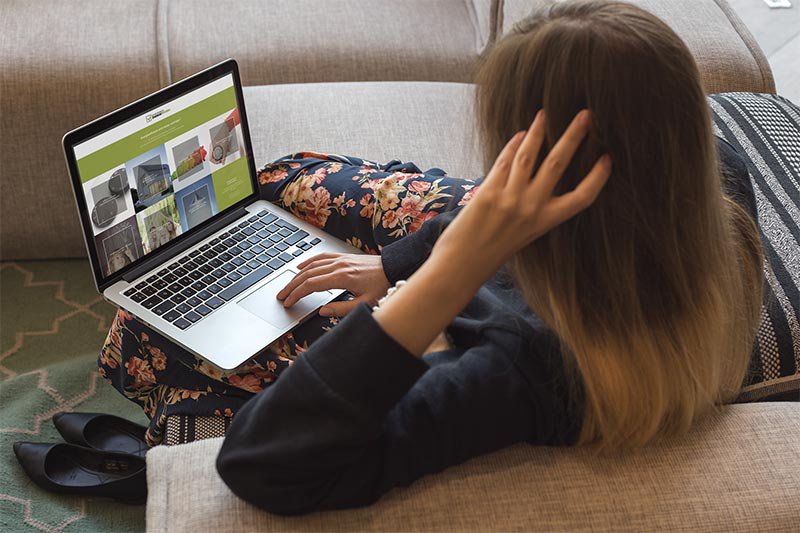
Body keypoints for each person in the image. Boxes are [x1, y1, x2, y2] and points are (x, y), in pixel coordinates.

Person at [99, 0, 763, 516]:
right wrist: (392, 264)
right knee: (280, 179)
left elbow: (261, 463)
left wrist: (445, 275)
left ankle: (170, 436)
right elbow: (486, 201)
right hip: (516, 261)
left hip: (465, 306)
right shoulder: (713, 184)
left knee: (142, 335)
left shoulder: (526, 367)